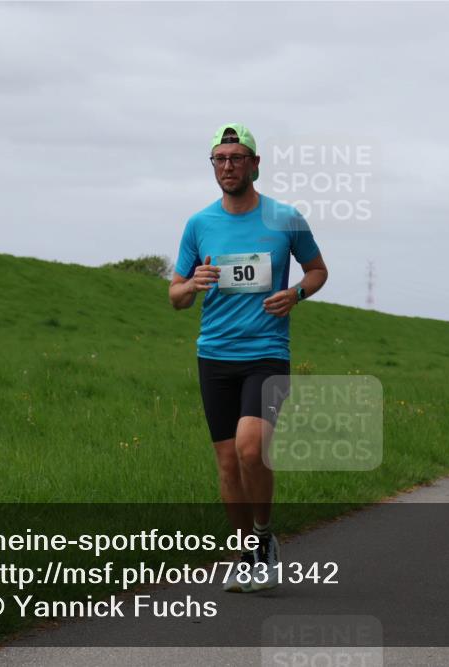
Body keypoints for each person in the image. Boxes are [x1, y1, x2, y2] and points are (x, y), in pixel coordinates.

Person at [169, 123, 328, 593]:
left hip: (266, 353)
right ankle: (244, 554)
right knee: (226, 465)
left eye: (237, 157)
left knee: (250, 448)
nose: (228, 166)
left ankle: (262, 539)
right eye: (220, 158)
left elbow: (318, 270)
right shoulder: (199, 224)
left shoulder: (285, 218)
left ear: (255, 164)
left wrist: (296, 293)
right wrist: (191, 286)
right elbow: (174, 296)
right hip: (214, 355)